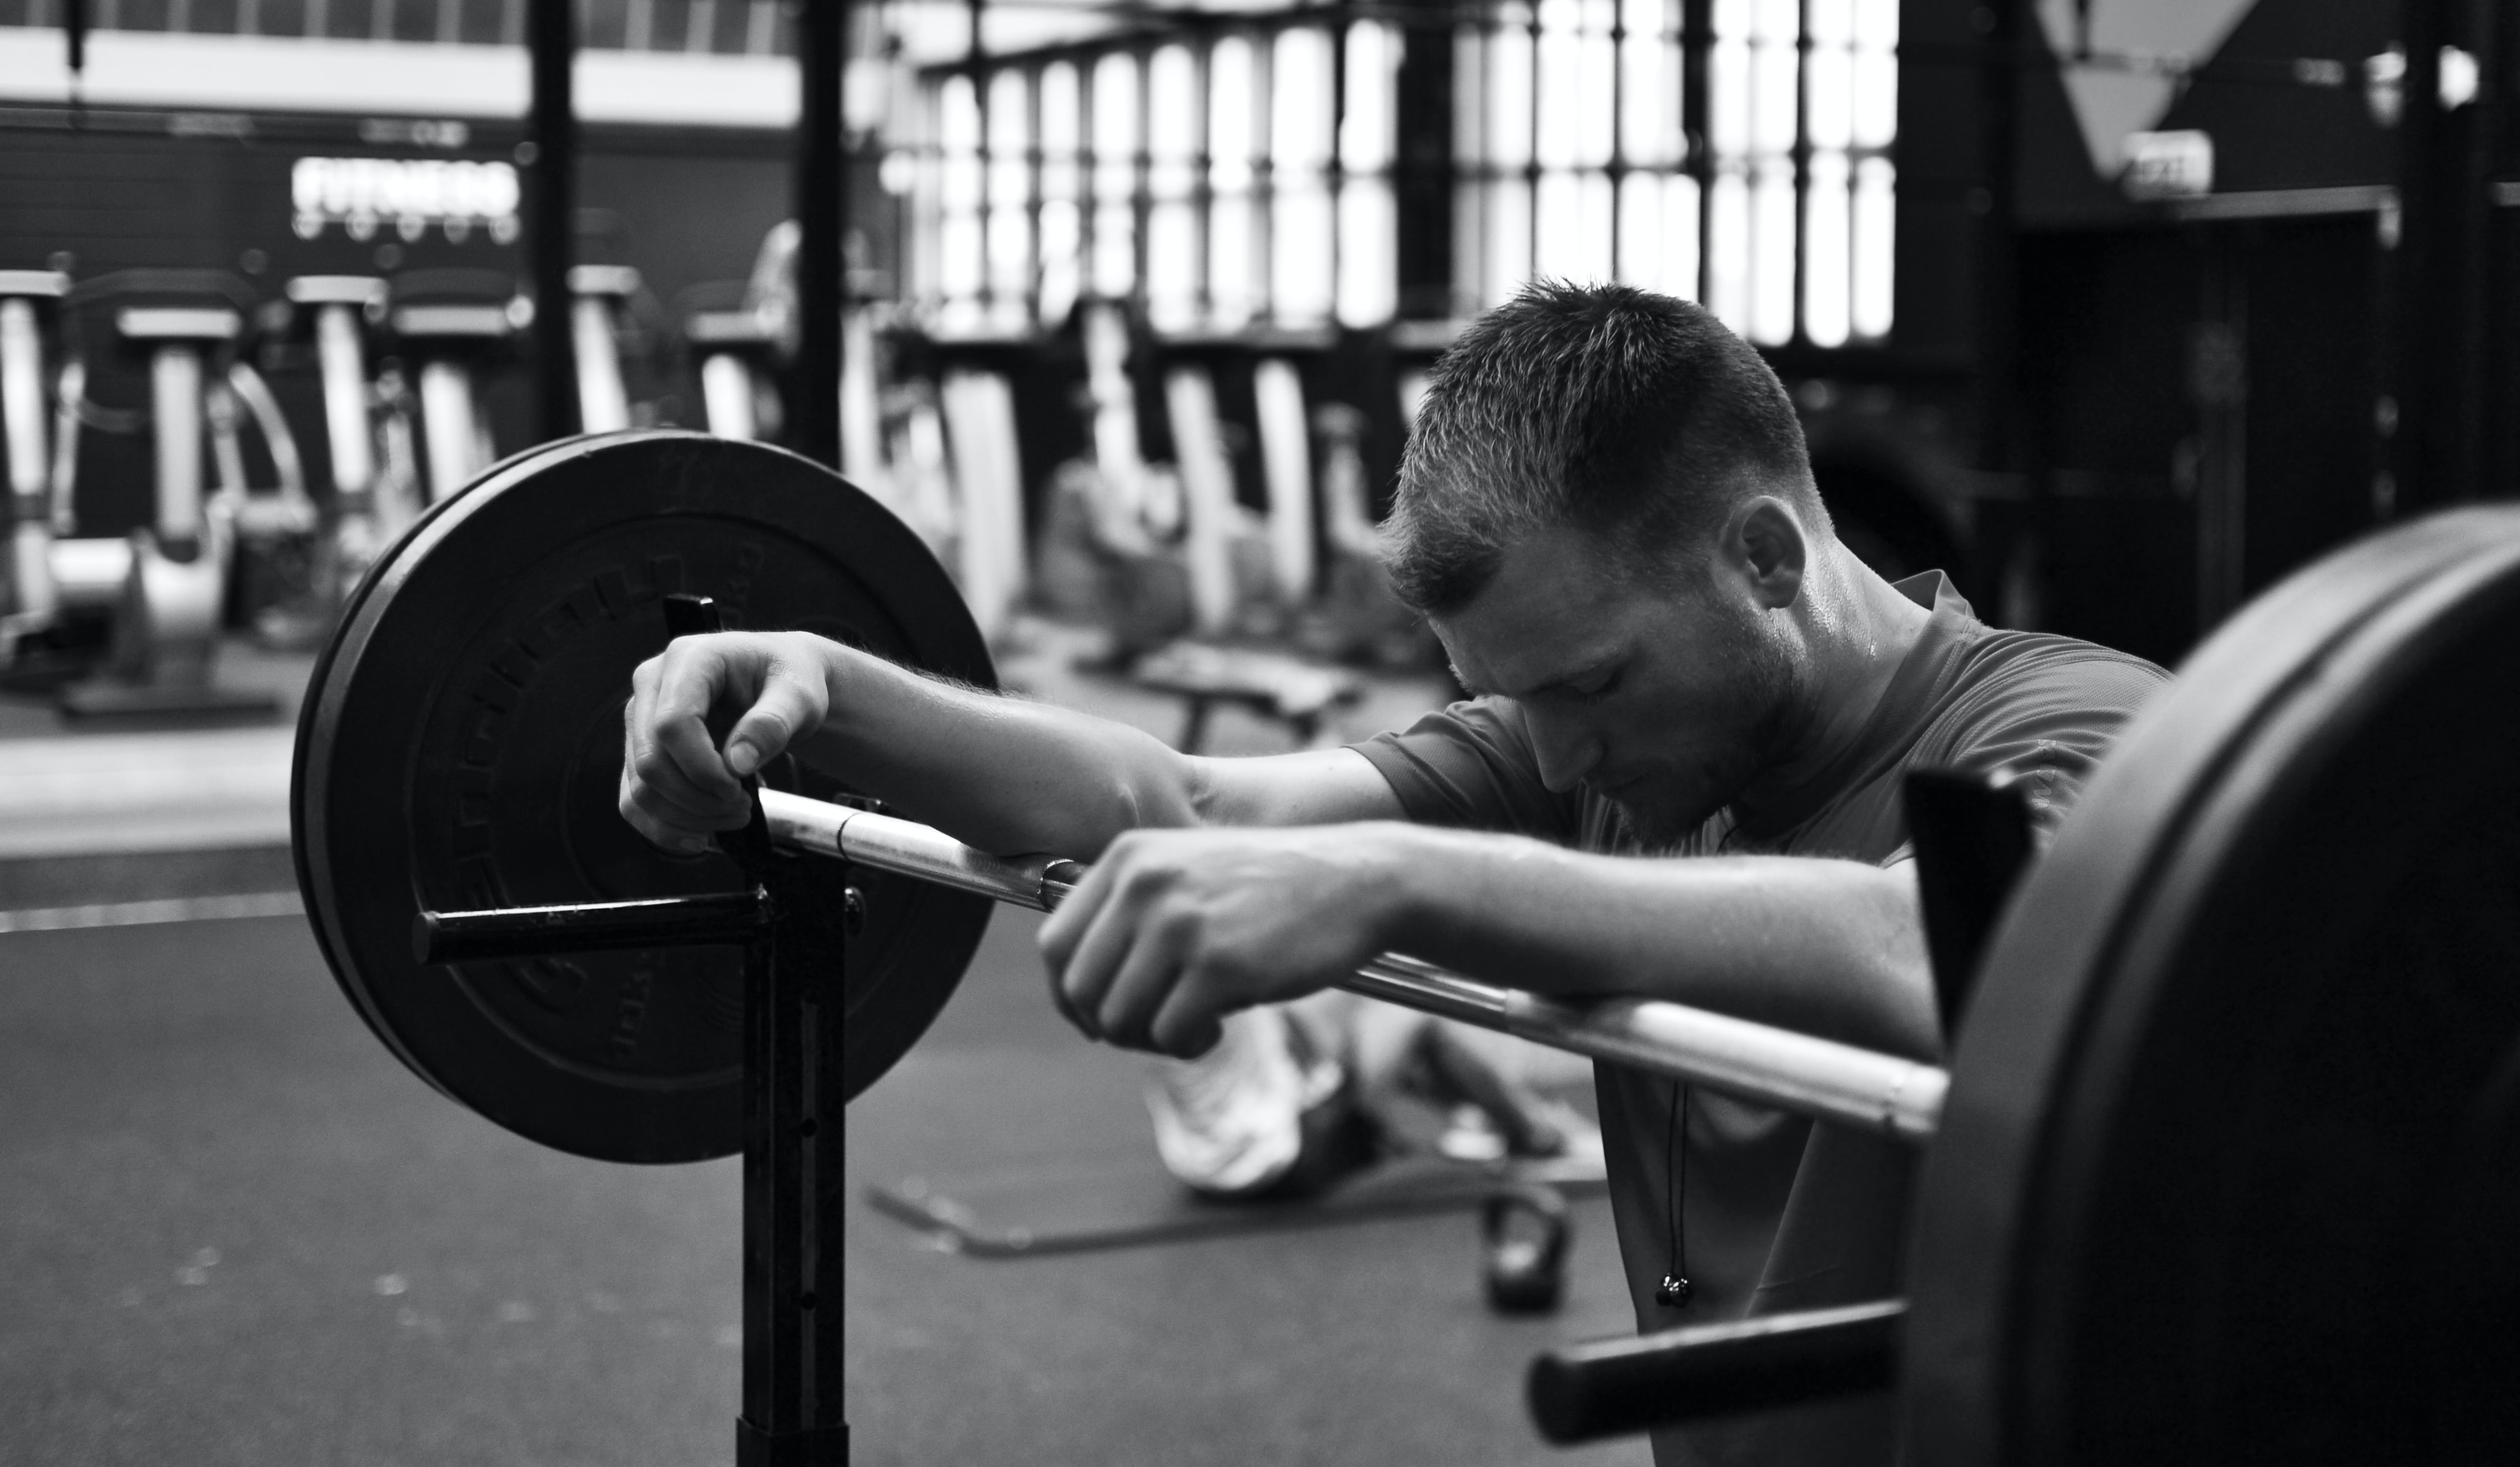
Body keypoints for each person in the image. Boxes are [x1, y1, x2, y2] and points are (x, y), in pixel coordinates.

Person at [621, 282, 2168, 1466]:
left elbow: (1940, 945)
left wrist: (1407, 884)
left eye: (1593, 687)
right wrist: (831, 690)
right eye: (1525, 701)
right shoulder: (1621, 741)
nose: (1556, 764)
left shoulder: (2077, 725)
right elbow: (1195, 805)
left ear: (1764, 559)